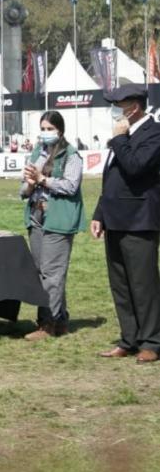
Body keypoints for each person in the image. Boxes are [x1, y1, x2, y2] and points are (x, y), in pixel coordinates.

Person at [91, 84, 160, 363]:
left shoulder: (153, 133)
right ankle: (129, 338)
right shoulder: (124, 135)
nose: (117, 111)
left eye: (121, 104)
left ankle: (152, 342)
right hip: (116, 218)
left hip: (140, 220)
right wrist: (99, 214)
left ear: (136, 106)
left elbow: (135, 166)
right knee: (120, 284)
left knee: (144, 285)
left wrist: (119, 140)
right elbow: (113, 179)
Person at [20, 111, 84, 340]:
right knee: (41, 272)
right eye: (43, 128)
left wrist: (42, 180)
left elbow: (70, 186)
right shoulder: (37, 152)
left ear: (60, 130)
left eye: (50, 129)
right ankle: (61, 321)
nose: (45, 133)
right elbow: (23, 189)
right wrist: (28, 185)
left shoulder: (71, 155)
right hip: (36, 217)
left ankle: (48, 322)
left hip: (59, 219)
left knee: (52, 273)